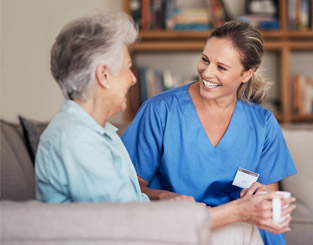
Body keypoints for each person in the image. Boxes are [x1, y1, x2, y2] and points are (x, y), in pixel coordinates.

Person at [121, 20, 297, 245]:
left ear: (246, 74)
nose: (207, 72)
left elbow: (267, 199)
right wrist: (164, 196)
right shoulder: (160, 110)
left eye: (221, 67)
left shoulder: (263, 124)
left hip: (241, 229)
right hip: (181, 228)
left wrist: (261, 197)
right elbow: (128, 187)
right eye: (205, 60)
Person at [35, 12, 149, 203]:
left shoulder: (101, 132)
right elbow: (127, 219)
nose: (133, 79)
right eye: (128, 67)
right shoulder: (76, 140)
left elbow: (134, 204)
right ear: (104, 75)